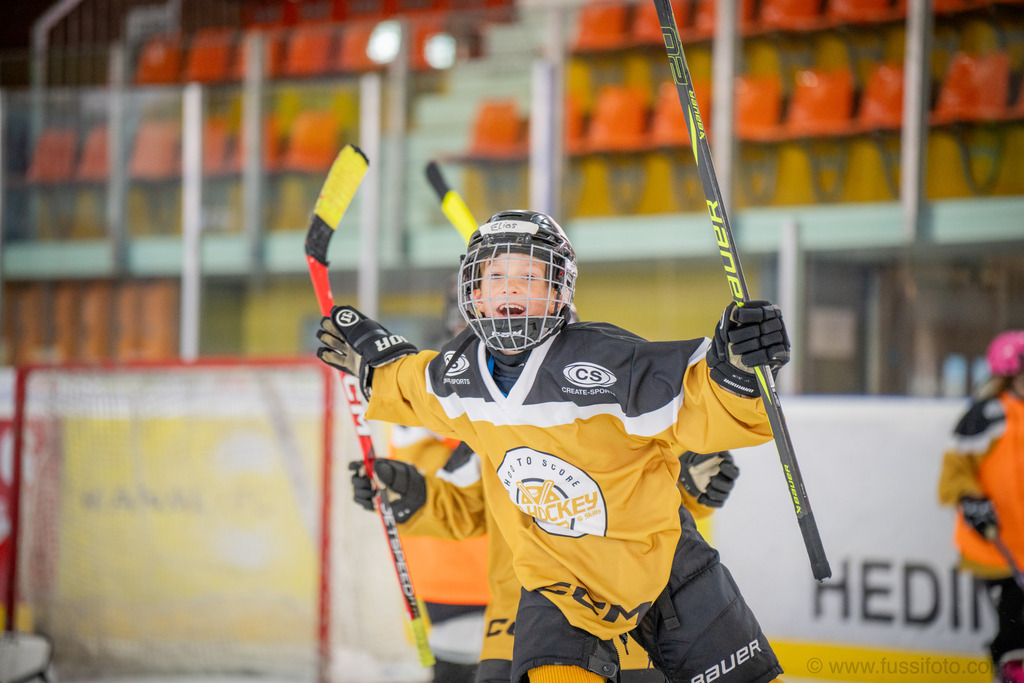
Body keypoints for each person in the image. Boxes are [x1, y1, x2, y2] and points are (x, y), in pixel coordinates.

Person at [318, 209, 787, 683]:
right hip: (555, 591)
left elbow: (693, 396)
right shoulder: (461, 379)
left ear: (559, 292)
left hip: (665, 568)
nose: (510, 289)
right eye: (496, 276)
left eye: (529, 277)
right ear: (474, 293)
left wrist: (737, 370)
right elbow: (418, 387)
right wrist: (378, 370)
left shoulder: (606, 362)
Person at [939, 330, 1024, 683]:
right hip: (997, 547)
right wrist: (972, 501)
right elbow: (953, 475)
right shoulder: (990, 414)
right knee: (1015, 625)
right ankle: (1008, 668)